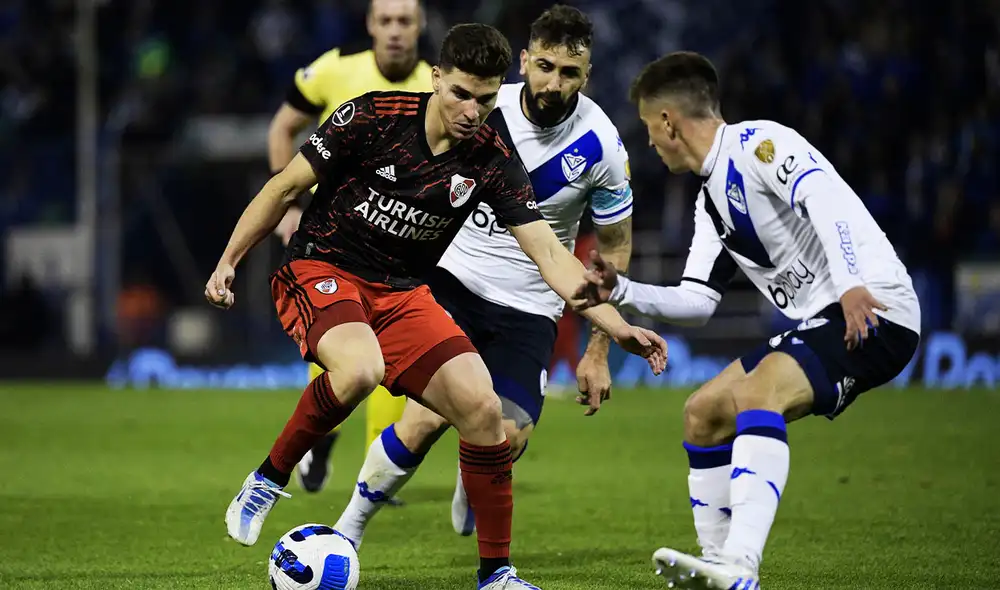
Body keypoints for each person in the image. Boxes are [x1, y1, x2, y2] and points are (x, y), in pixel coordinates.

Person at [205, 24, 666, 589]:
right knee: (361, 370)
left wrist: (617, 327)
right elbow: (281, 189)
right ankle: (269, 479)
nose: (473, 111)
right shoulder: (372, 117)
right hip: (324, 267)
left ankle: (495, 576)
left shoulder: (492, 158)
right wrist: (229, 260)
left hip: (401, 291)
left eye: (486, 99)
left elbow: (550, 251)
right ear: (436, 79)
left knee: (482, 410)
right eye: (461, 95)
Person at [574, 51, 921, 589]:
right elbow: (698, 301)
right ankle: (718, 565)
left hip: (877, 310)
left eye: (647, 127)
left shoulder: (762, 144)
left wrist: (852, 282)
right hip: (820, 320)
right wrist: (622, 290)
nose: (646, 141)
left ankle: (741, 564)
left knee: (758, 395)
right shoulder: (710, 201)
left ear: (668, 122)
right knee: (703, 412)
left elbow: (823, 197)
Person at [330, 4, 634, 546]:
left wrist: (598, 350)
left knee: (508, 435)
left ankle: (474, 477)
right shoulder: (481, 111)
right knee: (425, 420)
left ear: (588, 76)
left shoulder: (604, 147)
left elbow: (614, 248)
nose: (553, 83)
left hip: (535, 305)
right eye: (544, 66)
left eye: (569, 73)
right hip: (456, 283)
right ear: (524, 60)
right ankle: (348, 528)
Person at [266, 0, 433, 495]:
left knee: (394, 362)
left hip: (403, 248)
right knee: (345, 362)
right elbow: (282, 127)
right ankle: (323, 439)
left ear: (421, 27)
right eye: (386, 21)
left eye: (405, 21)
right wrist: (289, 205)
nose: (396, 31)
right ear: (370, 25)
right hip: (332, 245)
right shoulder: (335, 69)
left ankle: (371, 470)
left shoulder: (438, 84)